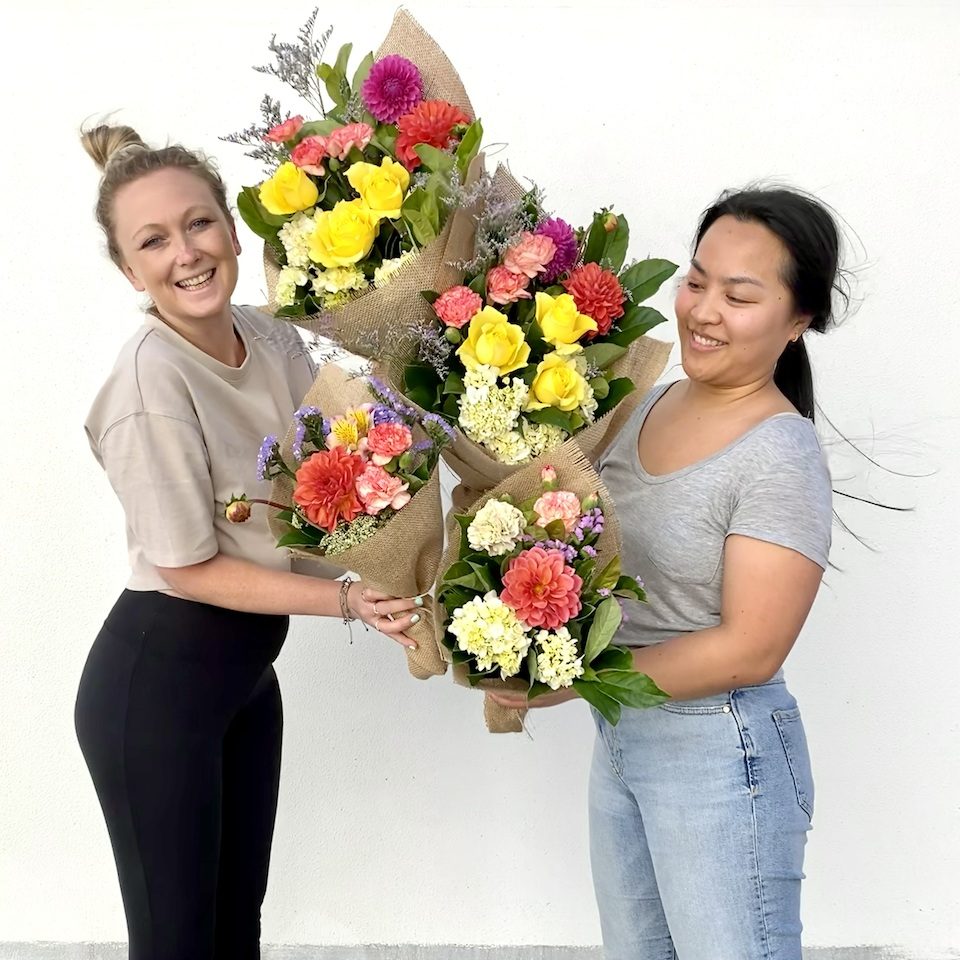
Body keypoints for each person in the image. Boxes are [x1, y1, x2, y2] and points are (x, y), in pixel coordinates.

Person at [74, 124, 421, 960]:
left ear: (234, 231)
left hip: (241, 680)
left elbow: (330, 476)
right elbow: (188, 569)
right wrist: (348, 596)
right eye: (153, 241)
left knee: (235, 936)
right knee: (178, 945)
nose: (186, 253)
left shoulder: (269, 336)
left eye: (198, 224)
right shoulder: (149, 384)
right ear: (130, 271)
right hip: (157, 691)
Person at [491, 186, 840, 959]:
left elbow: (752, 648)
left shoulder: (780, 452)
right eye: (697, 279)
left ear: (798, 320)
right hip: (623, 738)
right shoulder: (646, 404)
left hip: (722, 755)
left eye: (740, 295)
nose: (703, 310)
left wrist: (571, 680)